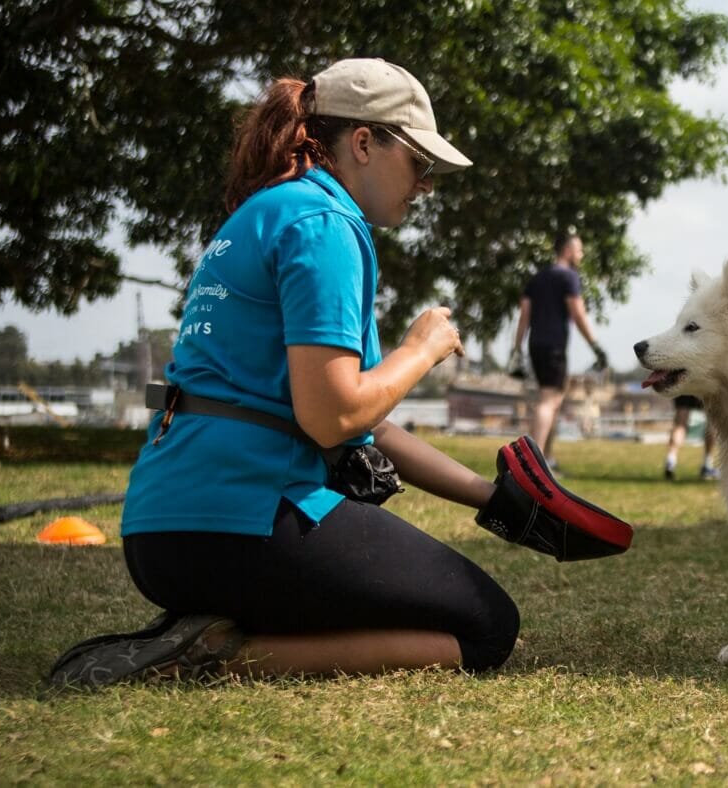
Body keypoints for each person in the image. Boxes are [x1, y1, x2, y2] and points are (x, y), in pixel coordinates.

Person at [50, 58, 521, 687]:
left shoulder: (271, 212)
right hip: (241, 522)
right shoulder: (324, 226)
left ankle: (209, 632)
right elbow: (334, 418)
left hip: (162, 531)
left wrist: (497, 501)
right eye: (420, 163)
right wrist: (422, 348)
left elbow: (363, 425)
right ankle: (214, 658)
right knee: (486, 627)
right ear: (363, 144)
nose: (425, 186)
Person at [509, 233, 608, 469]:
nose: (581, 255)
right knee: (548, 401)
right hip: (554, 345)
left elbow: (524, 315)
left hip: (535, 345)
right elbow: (578, 313)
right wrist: (595, 346)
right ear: (568, 250)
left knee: (553, 401)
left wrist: (517, 349)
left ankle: (546, 459)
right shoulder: (569, 277)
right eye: (579, 250)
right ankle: (531, 464)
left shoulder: (537, 278)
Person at [663, 395, 718, 480]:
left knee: (680, 423)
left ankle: (670, 461)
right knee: (712, 421)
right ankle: (707, 465)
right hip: (703, 385)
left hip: (684, 384)